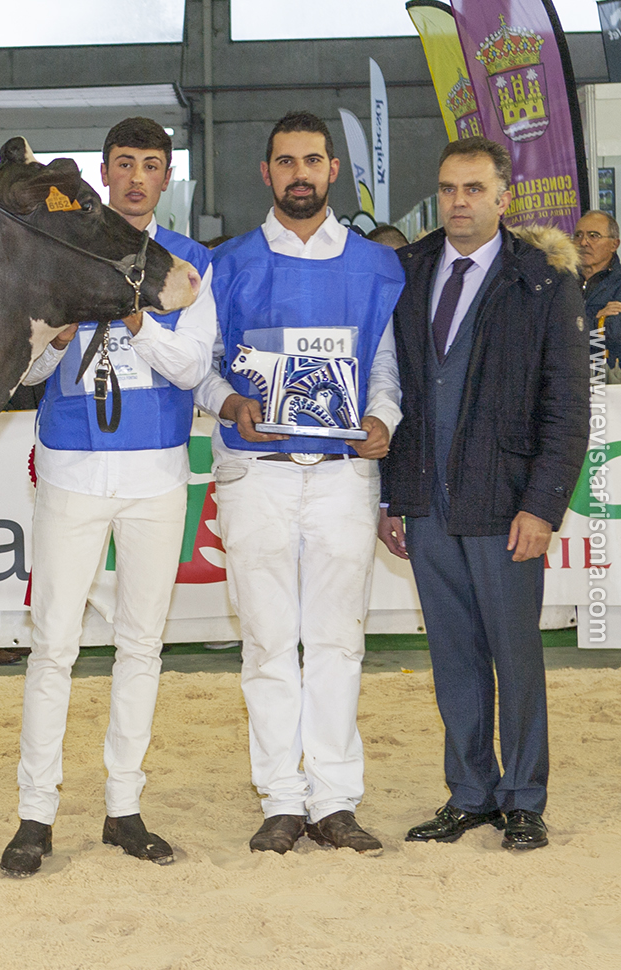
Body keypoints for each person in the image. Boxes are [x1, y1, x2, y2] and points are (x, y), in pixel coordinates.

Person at [0, 117, 218, 875]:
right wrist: (53, 342)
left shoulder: (188, 263)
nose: (135, 178)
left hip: (157, 472)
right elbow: (18, 378)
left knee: (141, 646)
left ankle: (124, 806)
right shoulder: (60, 249)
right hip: (71, 470)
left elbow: (194, 368)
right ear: (103, 170)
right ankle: (35, 815)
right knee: (53, 645)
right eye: (123, 164)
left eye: (150, 166)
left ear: (165, 178)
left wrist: (137, 321)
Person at [193, 111, 403, 856]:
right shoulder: (228, 264)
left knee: (338, 640)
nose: (300, 173)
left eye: (312, 160)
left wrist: (382, 415)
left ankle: (335, 800)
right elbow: (201, 364)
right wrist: (230, 403)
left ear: (334, 170)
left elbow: (384, 364)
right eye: (286, 161)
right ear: (267, 174)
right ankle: (282, 797)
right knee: (269, 640)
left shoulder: (379, 268)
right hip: (257, 474)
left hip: (347, 473)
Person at [379, 137, 587, 852]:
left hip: (506, 506)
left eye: (473, 189)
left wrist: (543, 505)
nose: (458, 202)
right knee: (454, 656)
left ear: (505, 197)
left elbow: (567, 405)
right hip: (428, 503)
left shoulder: (543, 281)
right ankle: (470, 792)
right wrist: (392, 496)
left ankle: (524, 797)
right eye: (447, 189)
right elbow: (396, 386)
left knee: (514, 653)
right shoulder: (408, 271)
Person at [571, 210, 621, 379]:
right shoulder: (559, 282)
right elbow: (547, 332)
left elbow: (614, 332)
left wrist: (576, 325)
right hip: (567, 382)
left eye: (594, 235)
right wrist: (598, 319)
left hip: (610, 383)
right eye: (578, 235)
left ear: (614, 244)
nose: (583, 242)